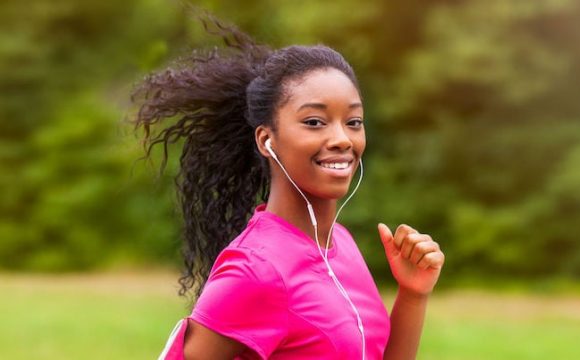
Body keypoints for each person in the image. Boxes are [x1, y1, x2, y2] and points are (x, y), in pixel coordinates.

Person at [132, 16, 444, 360]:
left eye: (353, 122)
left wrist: (413, 294)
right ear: (267, 140)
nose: (342, 139)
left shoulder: (341, 242)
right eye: (315, 122)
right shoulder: (255, 270)